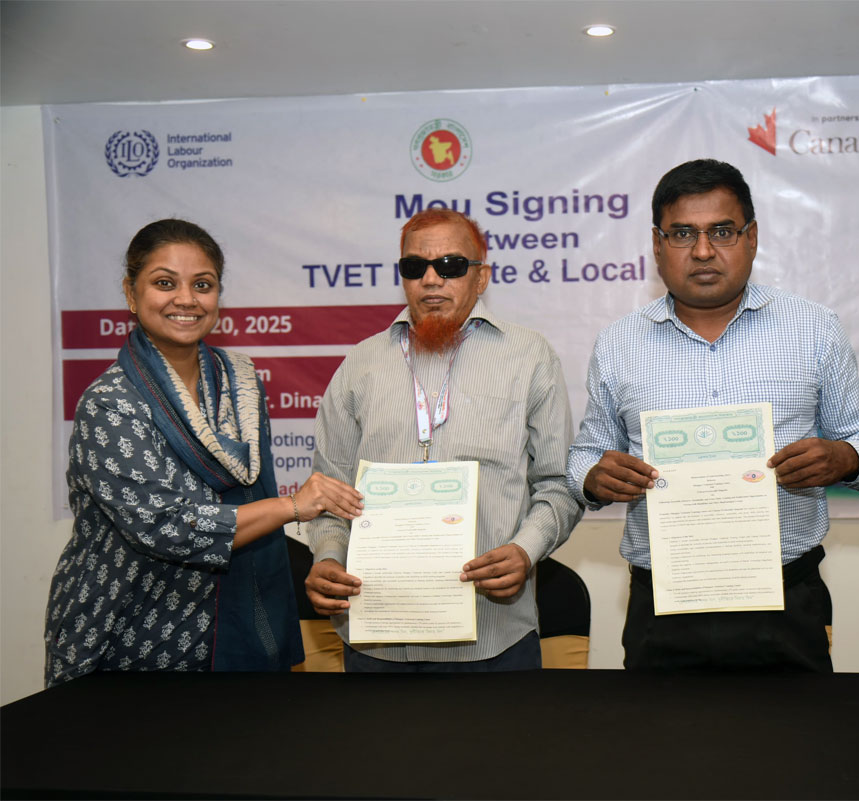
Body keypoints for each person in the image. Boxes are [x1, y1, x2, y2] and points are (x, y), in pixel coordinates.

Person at [567, 159, 859, 670]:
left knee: (797, 744)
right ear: (656, 244)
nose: (702, 250)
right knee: (662, 746)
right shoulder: (619, 344)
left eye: (721, 231)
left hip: (786, 594)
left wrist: (844, 457)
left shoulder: (813, 328)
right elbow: (586, 452)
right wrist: (592, 476)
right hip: (663, 599)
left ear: (752, 237)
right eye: (681, 233)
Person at [45, 219, 364, 686]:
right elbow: (167, 527)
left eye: (203, 285)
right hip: (131, 634)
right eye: (164, 283)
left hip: (238, 624)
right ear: (131, 295)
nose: (186, 299)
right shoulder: (111, 403)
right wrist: (293, 506)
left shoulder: (241, 386)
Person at [303, 208, 580, 672]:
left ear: (481, 276)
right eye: (415, 267)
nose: (431, 279)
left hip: (494, 638)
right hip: (377, 640)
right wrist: (328, 556)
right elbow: (331, 491)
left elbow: (558, 486)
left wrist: (525, 551)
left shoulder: (529, 357)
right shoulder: (360, 365)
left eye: (450, 266)